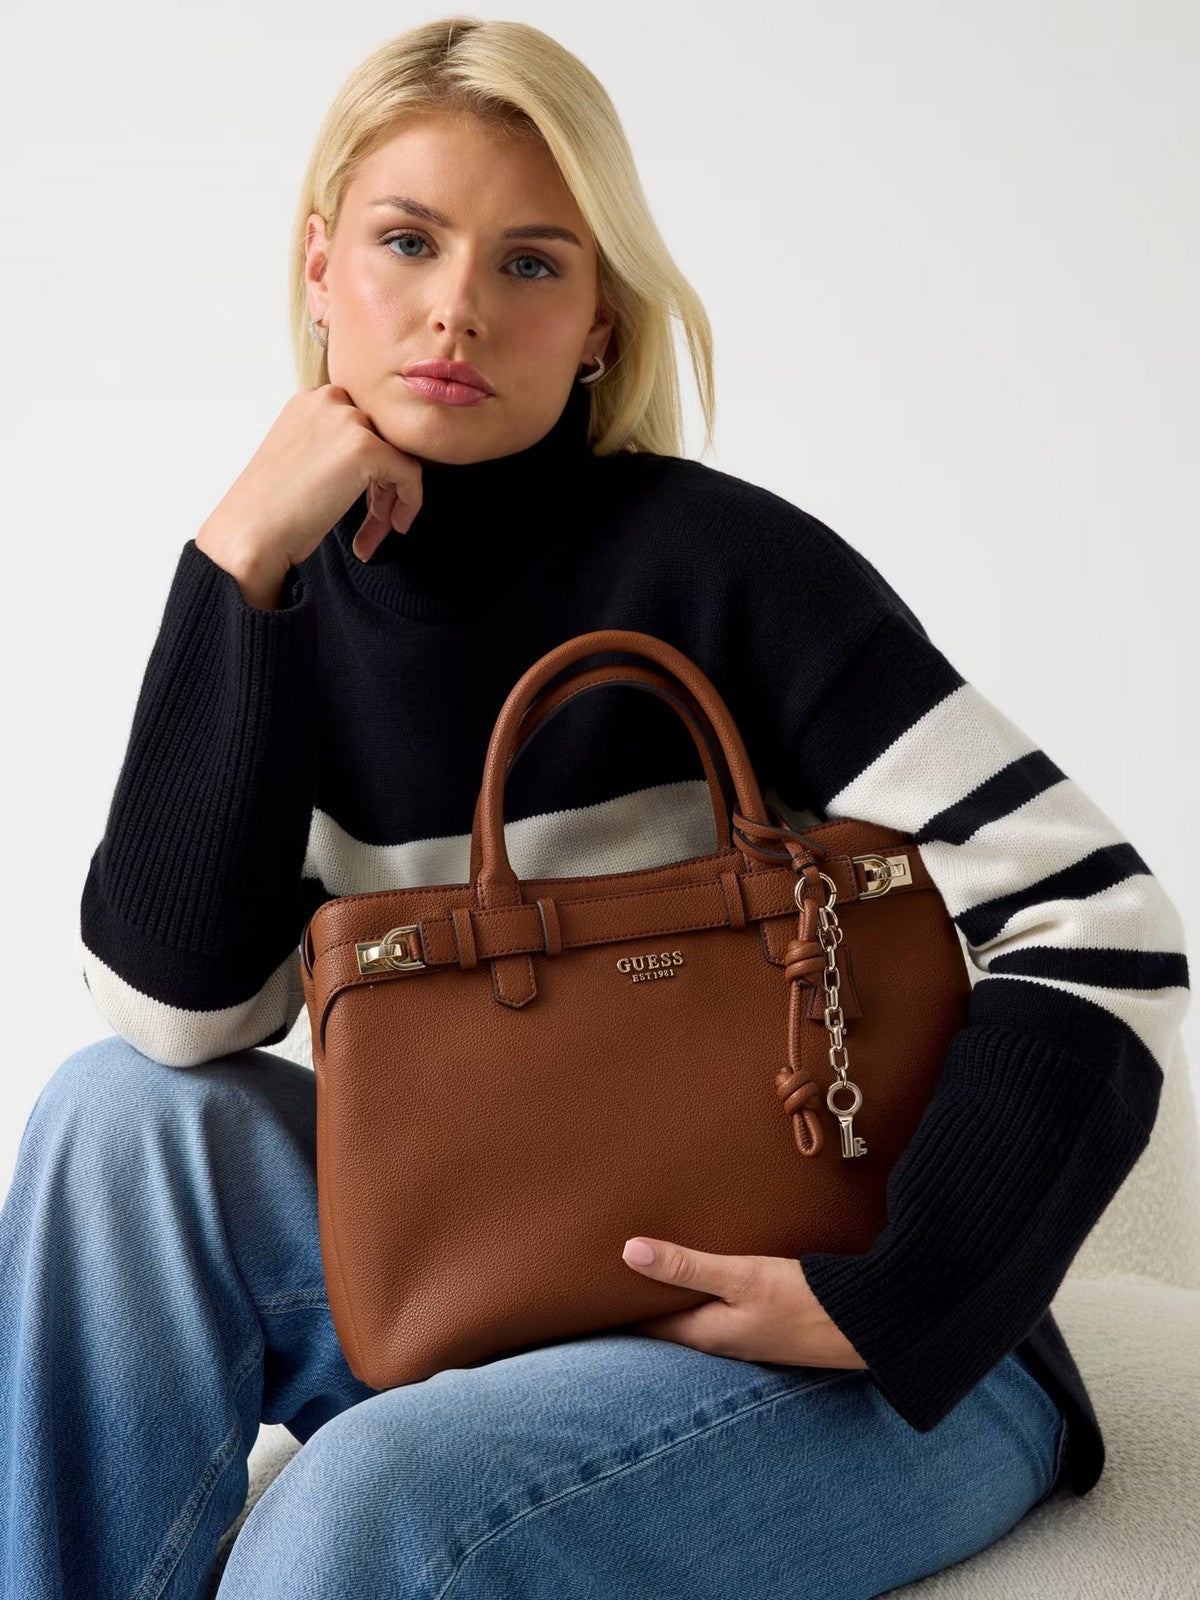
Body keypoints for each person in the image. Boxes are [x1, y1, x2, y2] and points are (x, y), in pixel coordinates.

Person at [2, 16, 1190, 1600]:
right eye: (407, 242)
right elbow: (176, 1017)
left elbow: (1105, 921)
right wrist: (238, 562)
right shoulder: (288, 612)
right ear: (319, 265)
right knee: (112, 1119)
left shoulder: (724, 568)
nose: (457, 307)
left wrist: (892, 1290)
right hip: (513, 1283)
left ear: (599, 325)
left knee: (365, 1503)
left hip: (877, 1367)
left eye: (531, 264)